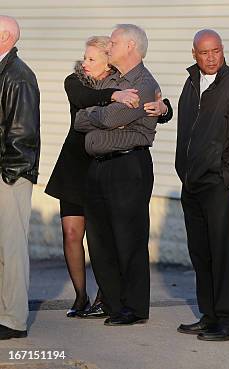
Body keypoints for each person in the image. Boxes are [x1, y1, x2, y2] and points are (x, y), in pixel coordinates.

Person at [45, 36, 172, 319]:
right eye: (85, 57)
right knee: (76, 234)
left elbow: (144, 103)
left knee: (113, 236)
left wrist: (164, 109)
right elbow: (81, 108)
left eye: (92, 58)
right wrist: (114, 102)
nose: (85, 63)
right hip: (76, 166)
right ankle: (81, 297)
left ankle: (109, 299)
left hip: (106, 163)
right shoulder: (76, 80)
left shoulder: (123, 80)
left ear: (107, 59)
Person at [74, 24, 160, 326]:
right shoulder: (111, 80)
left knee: (129, 238)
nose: (108, 46)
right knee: (99, 239)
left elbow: (109, 117)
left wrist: (101, 114)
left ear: (130, 47)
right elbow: (79, 118)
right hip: (98, 167)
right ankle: (111, 302)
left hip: (128, 166)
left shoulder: (143, 84)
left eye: (113, 42)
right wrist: (101, 111)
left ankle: (133, 308)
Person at [175, 29, 229, 341]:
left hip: (218, 185)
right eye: (204, 52)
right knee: (201, 253)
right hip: (192, 183)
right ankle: (209, 316)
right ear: (194, 54)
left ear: (222, 51)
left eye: (216, 51)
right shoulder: (192, 82)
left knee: (222, 253)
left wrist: (228, 179)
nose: (211, 58)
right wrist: (184, 172)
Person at [0, 15, 40, 340]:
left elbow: (22, 134)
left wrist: (10, 175)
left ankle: (13, 321)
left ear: (5, 37)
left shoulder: (19, 76)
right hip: (5, 171)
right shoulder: (4, 72)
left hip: (10, 174)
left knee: (12, 248)